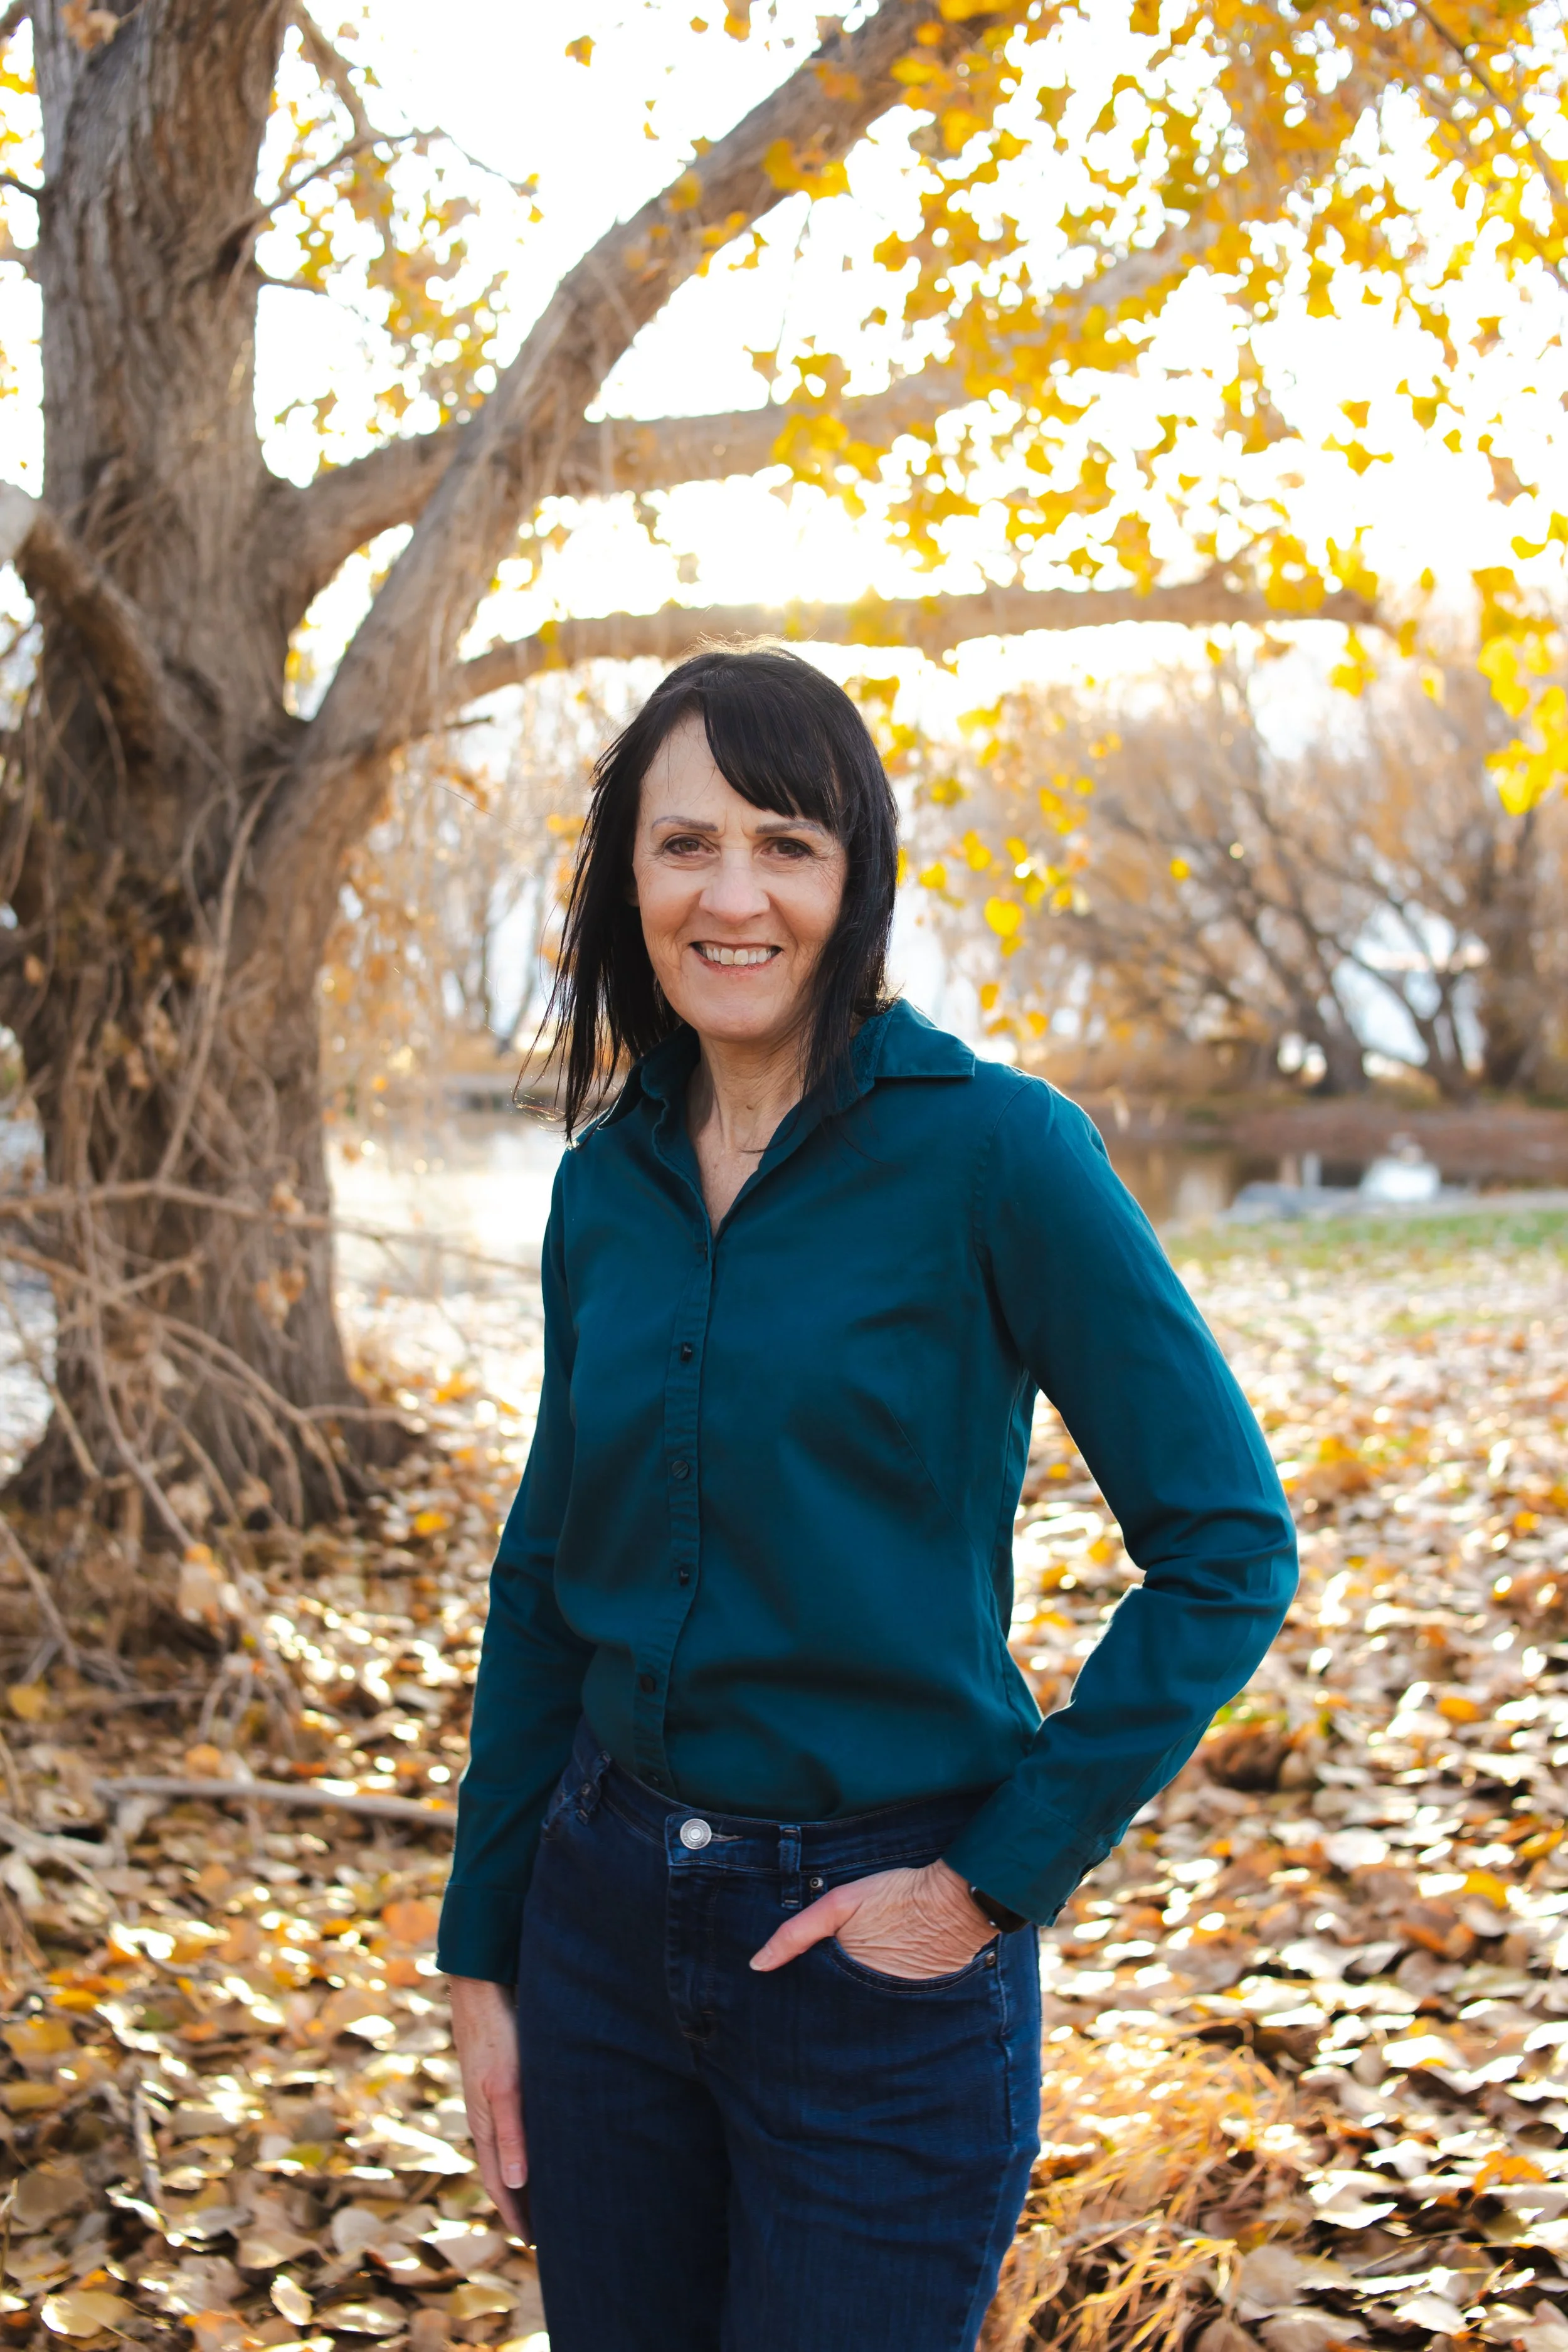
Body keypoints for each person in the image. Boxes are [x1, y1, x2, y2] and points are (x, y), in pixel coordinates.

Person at [438, 645, 1297, 2352]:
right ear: (628, 876)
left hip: (875, 1958)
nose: (732, 894)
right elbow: (548, 1572)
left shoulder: (998, 1152)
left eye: (785, 843)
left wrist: (987, 1880)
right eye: (685, 845)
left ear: (857, 878)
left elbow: (1226, 1544)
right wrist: (487, 1947)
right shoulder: (600, 1186)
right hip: (598, 1925)